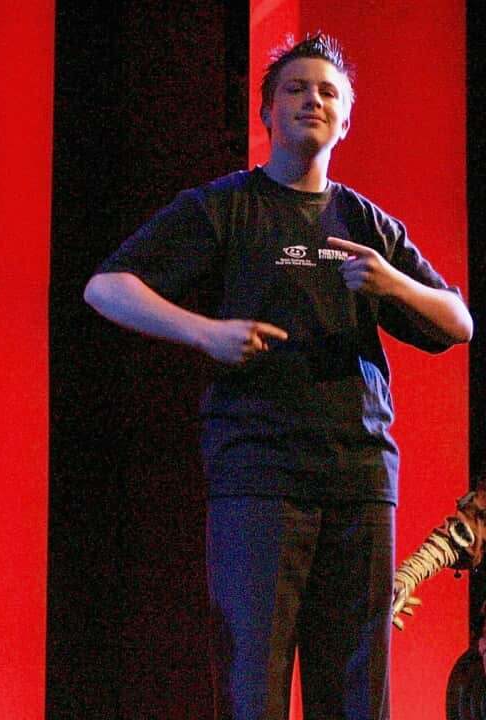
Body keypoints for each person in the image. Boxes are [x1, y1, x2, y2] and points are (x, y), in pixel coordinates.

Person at [84, 33, 472, 720]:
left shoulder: (366, 224)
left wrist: (392, 285)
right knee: (251, 686)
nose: (311, 101)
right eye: (295, 89)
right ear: (266, 113)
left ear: (346, 120)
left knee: (355, 692)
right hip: (258, 470)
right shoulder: (226, 206)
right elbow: (106, 287)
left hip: (358, 474)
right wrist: (204, 331)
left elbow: (458, 322)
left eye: (327, 92)